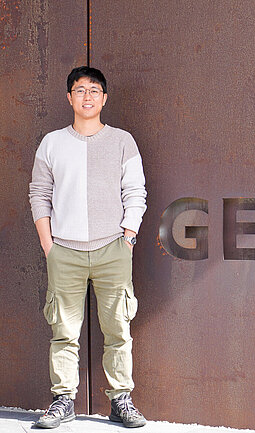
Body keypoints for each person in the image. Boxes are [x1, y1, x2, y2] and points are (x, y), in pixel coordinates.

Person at [28, 66, 148, 429]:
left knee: (118, 329)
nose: (87, 96)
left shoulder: (122, 141)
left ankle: (120, 400)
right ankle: (63, 400)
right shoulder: (52, 142)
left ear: (104, 98)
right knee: (63, 330)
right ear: (69, 98)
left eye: (94, 90)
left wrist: (127, 238)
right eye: (80, 90)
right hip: (64, 250)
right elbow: (39, 194)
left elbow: (136, 192)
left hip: (113, 248)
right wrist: (49, 246)